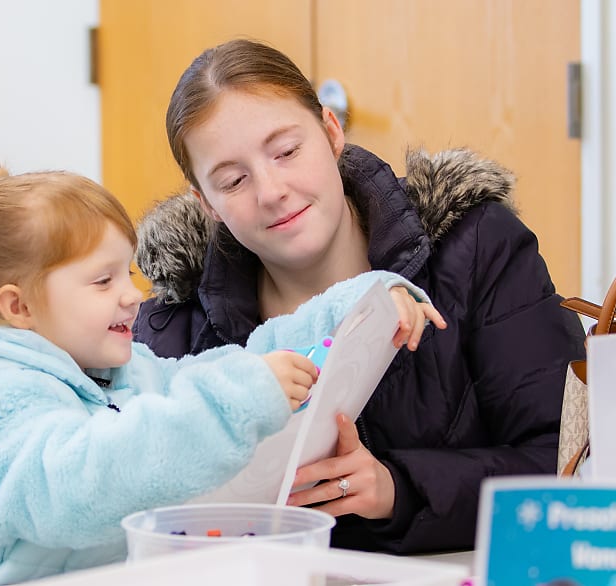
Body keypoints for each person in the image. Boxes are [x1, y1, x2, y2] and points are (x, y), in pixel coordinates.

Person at [133, 39, 587, 553]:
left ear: (330, 133)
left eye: (286, 152)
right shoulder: (173, 329)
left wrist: (398, 489)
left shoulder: (476, 248)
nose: (271, 190)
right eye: (233, 180)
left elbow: (564, 460)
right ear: (206, 204)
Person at [0, 167, 441, 585]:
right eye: (102, 280)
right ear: (19, 308)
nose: (131, 294)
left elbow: (221, 370)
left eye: (128, 272)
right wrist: (234, 401)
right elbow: (81, 483)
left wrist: (359, 303)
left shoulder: (116, 371)